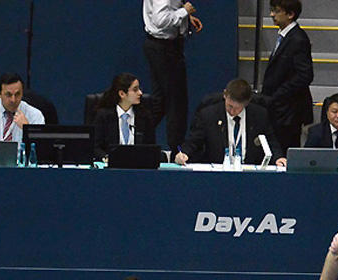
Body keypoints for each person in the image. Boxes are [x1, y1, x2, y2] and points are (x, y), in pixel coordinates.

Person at [174, 79, 287, 166]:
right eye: (229, 106)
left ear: (246, 103)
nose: (232, 111)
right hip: (218, 173)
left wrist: (278, 158)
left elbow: (271, 141)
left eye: (237, 108)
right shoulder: (208, 115)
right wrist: (184, 153)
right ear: (225, 95)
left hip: (248, 173)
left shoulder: (259, 115)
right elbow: (194, 141)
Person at [143, 0, 202, 152]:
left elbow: (168, 10)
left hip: (164, 47)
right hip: (165, 49)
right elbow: (160, 20)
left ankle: (137, 135)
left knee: (161, 102)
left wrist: (186, 18)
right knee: (176, 104)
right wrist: (184, 12)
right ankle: (177, 151)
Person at [260, 0, 313, 153]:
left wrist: (277, 96)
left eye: (276, 11)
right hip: (279, 109)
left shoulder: (298, 39)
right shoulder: (286, 36)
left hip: (288, 111)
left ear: (290, 14)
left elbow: (305, 75)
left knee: (285, 152)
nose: (271, 14)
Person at [92, 73, 157, 160]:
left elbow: (151, 148)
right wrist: (106, 158)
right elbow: (95, 147)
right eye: (135, 90)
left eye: (139, 89)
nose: (140, 93)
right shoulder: (104, 116)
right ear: (122, 94)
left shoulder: (145, 116)